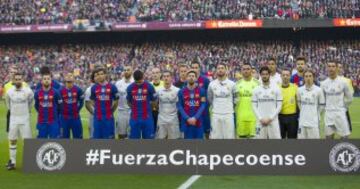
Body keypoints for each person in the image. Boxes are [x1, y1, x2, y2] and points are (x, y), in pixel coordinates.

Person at [5, 72, 33, 170]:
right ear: (13, 80)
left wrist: (27, 111)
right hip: (13, 119)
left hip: (24, 118)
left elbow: (31, 102)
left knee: (27, 141)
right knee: (12, 140)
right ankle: (12, 162)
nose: (18, 81)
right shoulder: (9, 92)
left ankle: (28, 162)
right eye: (16, 79)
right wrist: (13, 111)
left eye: (19, 79)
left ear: (22, 80)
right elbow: (7, 103)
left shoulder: (28, 91)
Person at [321, 61, 353, 139]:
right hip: (329, 114)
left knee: (345, 137)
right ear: (327, 68)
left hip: (340, 113)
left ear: (336, 68)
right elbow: (322, 100)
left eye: (333, 66)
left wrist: (343, 107)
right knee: (328, 137)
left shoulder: (343, 82)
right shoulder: (323, 83)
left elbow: (349, 98)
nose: (331, 68)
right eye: (329, 66)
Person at [252, 66, 283, 139]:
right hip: (260, 121)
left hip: (273, 121)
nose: (264, 76)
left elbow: (279, 106)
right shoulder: (256, 90)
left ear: (269, 75)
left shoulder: (276, 88)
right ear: (260, 75)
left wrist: (270, 118)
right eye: (263, 74)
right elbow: (254, 106)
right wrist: (260, 118)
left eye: (266, 74)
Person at [208, 63, 236, 139]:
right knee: (215, 137)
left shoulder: (232, 84)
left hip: (228, 114)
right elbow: (210, 99)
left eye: (222, 68)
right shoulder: (211, 84)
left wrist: (229, 108)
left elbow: (235, 100)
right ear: (216, 70)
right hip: (216, 114)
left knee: (229, 137)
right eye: (218, 68)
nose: (220, 70)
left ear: (226, 70)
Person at [90, 67, 119, 139]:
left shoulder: (112, 87)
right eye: (98, 74)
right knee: (97, 138)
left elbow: (116, 102)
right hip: (97, 117)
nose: (100, 76)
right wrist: (97, 108)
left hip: (108, 117)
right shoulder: (94, 87)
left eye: (102, 74)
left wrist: (111, 111)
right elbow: (92, 100)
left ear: (105, 75)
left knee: (109, 139)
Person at [127, 70, 157, 139]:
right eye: (136, 82)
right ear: (134, 79)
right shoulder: (130, 88)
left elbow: (154, 101)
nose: (138, 84)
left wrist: (149, 108)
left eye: (140, 82)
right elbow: (128, 102)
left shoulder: (150, 87)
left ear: (143, 77)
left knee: (149, 141)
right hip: (134, 118)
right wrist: (135, 108)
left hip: (147, 118)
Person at [177, 70, 207, 139]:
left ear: (196, 78)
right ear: (186, 78)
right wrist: (187, 118)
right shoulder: (181, 91)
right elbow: (179, 106)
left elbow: (203, 105)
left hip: (198, 121)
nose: (191, 77)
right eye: (189, 76)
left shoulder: (201, 91)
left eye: (193, 76)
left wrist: (195, 118)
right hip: (186, 122)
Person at [297, 69, 325, 139]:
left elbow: (322, 105)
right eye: (306, 76)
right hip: (302, 122)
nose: (308, 78)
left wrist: (316, 114)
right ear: (303, 78)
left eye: (310, 76)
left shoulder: (318, 90)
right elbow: (299, 102)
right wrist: (303, 111)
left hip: (313, 123)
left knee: (314, 146)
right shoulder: (299, 90)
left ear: (313, 77)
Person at [34, 72, 62, 139]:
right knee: (41, 143)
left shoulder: (56, 92)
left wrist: (55, 114)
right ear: (41, 81)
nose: (46, 80)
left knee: (55, 142)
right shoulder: (37, 93)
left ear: (51, 81)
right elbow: (36, 106)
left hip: (53, 122)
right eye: (44, 79)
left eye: (48, 79)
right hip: (41, 122)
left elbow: (60, 107)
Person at [235, 63, 259, 138]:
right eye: (244, 69)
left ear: (251, 70)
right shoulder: (236, 85)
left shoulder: (257, 84)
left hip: (254, 118)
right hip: (241, 117)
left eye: (248, 69)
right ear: (241, 71)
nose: (246, 71)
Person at [3, 66, 28, 133]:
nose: (13, 73)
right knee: (11, 132)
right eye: (11, 72)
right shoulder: (6, 86)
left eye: (14, 72)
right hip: (11, 111)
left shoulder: (24, 84)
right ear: (9, 74)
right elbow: (6, 99)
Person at [59, 73, 84, 139]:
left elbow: (81, 103)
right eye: (67, 75)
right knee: (64, 140)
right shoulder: (60, 91)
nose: (69, 77)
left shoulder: (79, 90)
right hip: (64, 118)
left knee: (78, 138)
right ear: (65, 78)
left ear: (74, 78)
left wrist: (76, 110)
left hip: (75, 117)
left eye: (71, 76)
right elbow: (58, 105)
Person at [156, 71, 181, 139]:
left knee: (173, 141)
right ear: (162, 78)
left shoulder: (177, 90)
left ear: (171, 78)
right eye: (164, 76)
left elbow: (180, 105)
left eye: (168, 76)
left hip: (173, 119)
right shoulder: (158, 90)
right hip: (161, 119)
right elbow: (155, 103)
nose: (166, 78)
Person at [191, 60, 210, 139]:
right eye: (193, 68)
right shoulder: (189, 80)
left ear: (199, 68)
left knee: (207, 131)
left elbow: (209, 94)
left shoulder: (205, 80)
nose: (195, 69)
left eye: (196, 67)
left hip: (204, 110)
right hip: (193, 110)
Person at [115, 65, 134, 139]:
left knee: (133, 135)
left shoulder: (135, 83)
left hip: (132, 112)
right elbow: (115, 98)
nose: (126, 71)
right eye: (125, 70)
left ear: (131, 71)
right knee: (121, 135)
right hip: (121, 112)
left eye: (128, 70)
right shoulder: (118, 83)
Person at [279, 69, 298, 139]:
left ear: (290, 76)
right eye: (283, 75)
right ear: (280, 76)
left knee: (292, 138)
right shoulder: (276, 88)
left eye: (287, 75)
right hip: (280, 116)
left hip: (292, 117)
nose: (285, 77)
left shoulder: (295, 87)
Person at [337, 63, 354, 132]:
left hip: (343, 109)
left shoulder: (347, 80)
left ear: (342, 69)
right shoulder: (329, 80)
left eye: (340, 67)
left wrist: (344, 106)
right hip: (332, 110)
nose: (339, 69)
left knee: (346, 132)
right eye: (337, 67)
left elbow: (350, 95)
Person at [151, 67, 164, 133]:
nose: (155, 75)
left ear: (160, 74)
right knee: (152, 133)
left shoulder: (165, 84)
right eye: (153, 73)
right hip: (151, 113)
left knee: (162, 133)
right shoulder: (149, 85)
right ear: (151, 74)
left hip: (162, 112)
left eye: (157, 73)